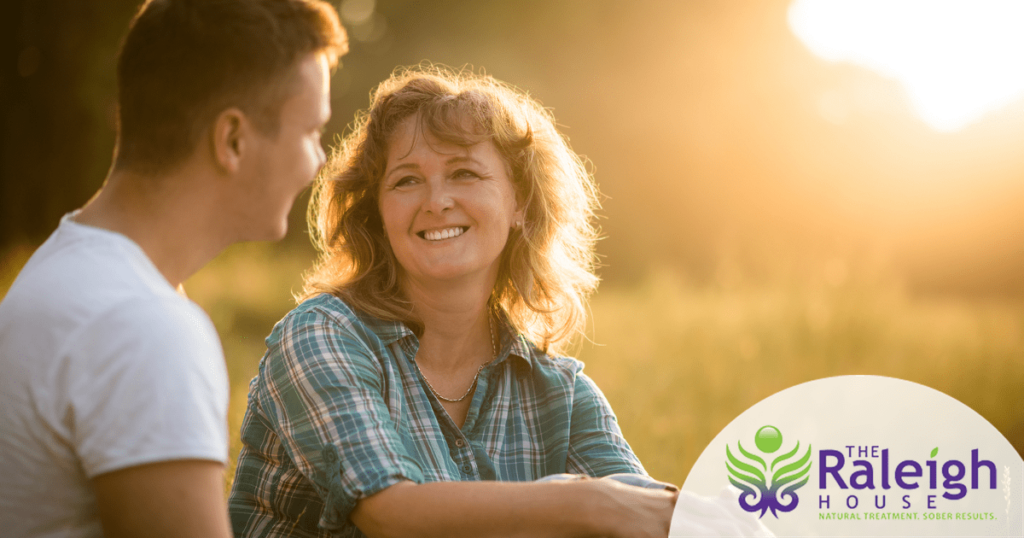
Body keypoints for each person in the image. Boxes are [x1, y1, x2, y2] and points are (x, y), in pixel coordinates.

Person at [228, 66, 678, 538]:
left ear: (519, 203)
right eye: (406, 181)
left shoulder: (562, 396)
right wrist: (587, 501)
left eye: (463, 172)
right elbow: (389, 511)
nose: (437, 200)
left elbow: (645, 514)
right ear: (378, 214)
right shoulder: (323, 334)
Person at [0, 1, 345, 536]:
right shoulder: (141, 327)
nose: (318, 161)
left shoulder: (68, 269)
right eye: (311, 132)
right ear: (233, 140)